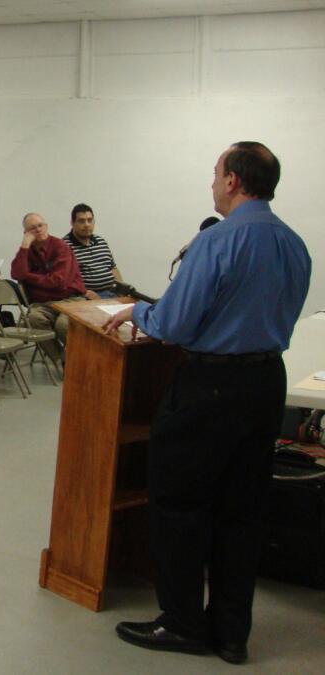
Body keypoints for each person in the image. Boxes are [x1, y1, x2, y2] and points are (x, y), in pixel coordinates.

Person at [105, 142, 311, 665]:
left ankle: (181, 622)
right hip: (266, 385)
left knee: (180, 505)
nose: (212, 183)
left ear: (234, 181)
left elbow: (174, 323)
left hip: (209, 387)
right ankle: (231, 632)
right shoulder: (293, 243)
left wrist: (137, 311)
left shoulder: (219, 242)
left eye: (216, 174)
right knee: (242, 511)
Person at [10, 212, 88, 366]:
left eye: (40, 225)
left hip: (70, 299)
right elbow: (17, 273)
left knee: (63, 325)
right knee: (34, 319)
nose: (38, 230)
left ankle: (81, 359)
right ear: (26, 233)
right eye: (32, 228)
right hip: (44, 303)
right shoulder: (27, 250)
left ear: (46, 226)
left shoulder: (60, 246)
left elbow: (58, 282)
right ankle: (63, 361)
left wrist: (29, 277)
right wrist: (24, 246)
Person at [63, 203, 121, 298]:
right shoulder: (64, 246)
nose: (87, 225)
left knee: (143, 308)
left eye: (90, 220)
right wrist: (85, 293)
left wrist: (121, 288)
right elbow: (66, 280)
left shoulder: (101, 241)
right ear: (72, 223)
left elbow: (113, 268)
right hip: (85, 297)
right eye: (81, 221)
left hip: (112, 293)